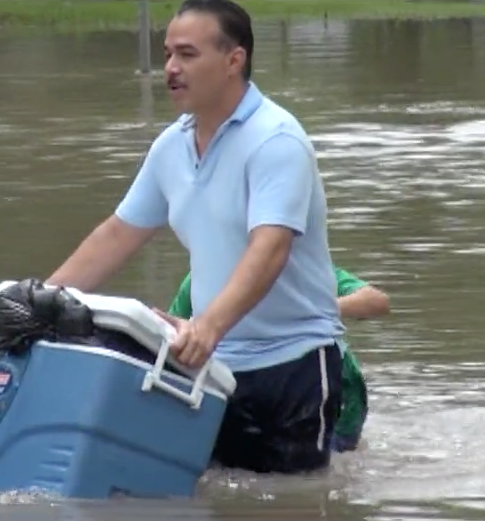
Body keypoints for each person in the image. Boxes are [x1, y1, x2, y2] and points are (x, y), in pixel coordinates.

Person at [46, 0, 344, 474]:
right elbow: (118, 233)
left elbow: (269, 249)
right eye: (167, 54)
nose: (170, 68)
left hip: (292, 366)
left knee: (292, 502)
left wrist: (207, 327)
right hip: (207, 366)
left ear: (234, 60)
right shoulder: (171, 146)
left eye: (186, 54)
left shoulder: (276, 140)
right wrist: (42, 301)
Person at [167, 266, 390, 453]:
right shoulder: (203, 274)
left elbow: (376, 301)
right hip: (243, 384)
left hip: (335, 386)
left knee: (329, 460)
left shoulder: (306, 270)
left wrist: (311, 309)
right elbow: (170, 331)